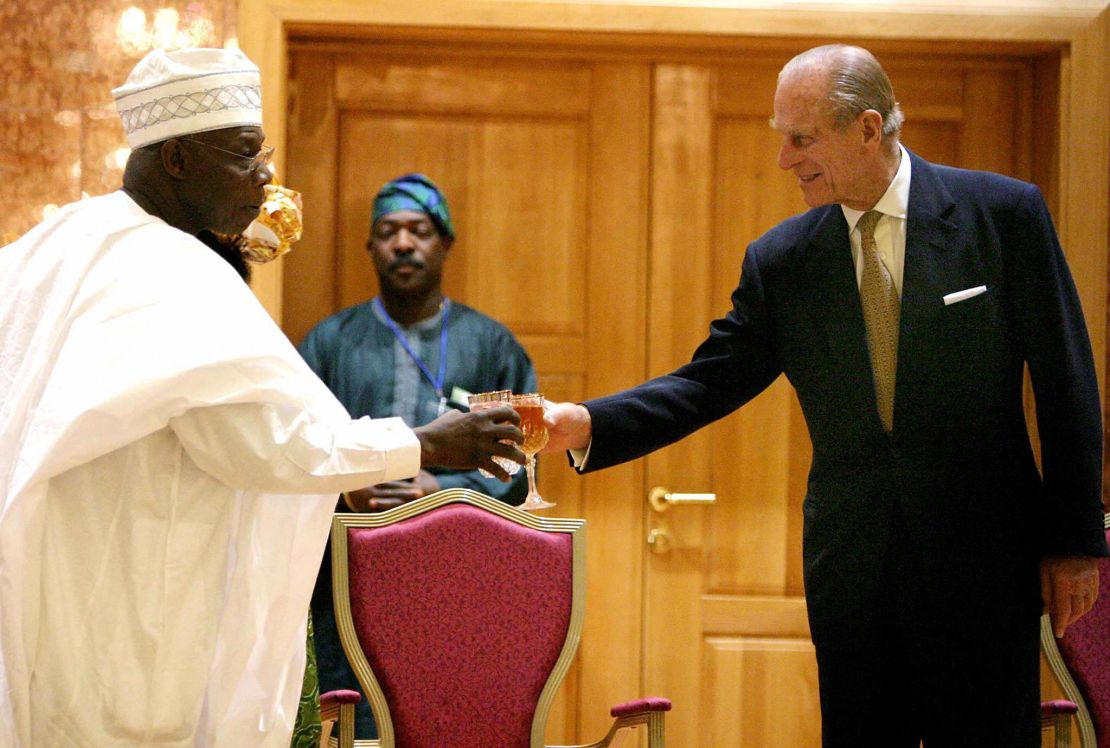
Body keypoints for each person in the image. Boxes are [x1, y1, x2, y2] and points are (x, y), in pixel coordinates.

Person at [543, 44, 1107, 746]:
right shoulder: (784, 261)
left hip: (984, 564)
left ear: (868, 129)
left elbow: (1066, 377)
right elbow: (708, 381)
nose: (784, 159)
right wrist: (589, 422)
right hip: (854, 570)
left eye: (801, 138)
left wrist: (1077, 541)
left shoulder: (1003, 217)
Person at [0, 47, 522, 748]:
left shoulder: (56, 240)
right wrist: (425, 442)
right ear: (179, 159)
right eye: (246, 152)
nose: (267, 174)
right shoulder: (173, 270)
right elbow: (267, 444)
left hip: (47, 588)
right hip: (127, 606)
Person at [298, 172, 536, 739]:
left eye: (419, 230)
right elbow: (292, 452)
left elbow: (519, 470)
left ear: (445, 242)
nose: (403, 243)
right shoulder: (328, 345)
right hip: (342, 580)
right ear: (371, 248)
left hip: (456, 578)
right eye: (388, 232)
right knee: (349, 719)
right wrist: (343, 484)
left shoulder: (492, 346)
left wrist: (443, 493)